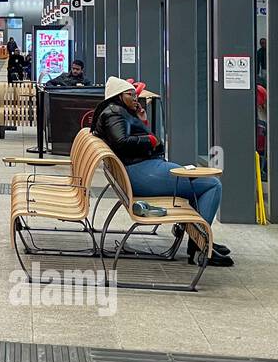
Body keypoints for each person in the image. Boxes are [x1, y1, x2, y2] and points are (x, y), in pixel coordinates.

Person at [92, 77, 232, 267]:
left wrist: (142, 122)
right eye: (130, 95)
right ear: (118, 96)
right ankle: (200, 246)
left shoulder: (117, 112)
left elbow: (126, 138)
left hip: (141, 169)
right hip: (141, 173)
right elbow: (121, 142)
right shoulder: (115, 113)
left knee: (198, 184)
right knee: (211, 185)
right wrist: (149, 140)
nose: (135, 98)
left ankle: (200, 240)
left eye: (135, 94)